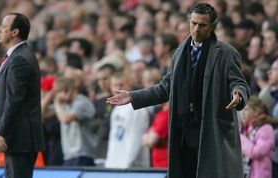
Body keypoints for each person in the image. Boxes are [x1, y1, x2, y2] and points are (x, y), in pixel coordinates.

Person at [107, 3, 250, 178]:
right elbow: (166, 87)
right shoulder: (179, 52)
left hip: (211, 133)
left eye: (202, 25)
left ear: (212, 27)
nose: (196, 29)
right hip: (183, 131)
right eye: (194, 23)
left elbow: (239, 83)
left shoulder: (227, 53)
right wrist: (133, 96)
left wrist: (239, 95)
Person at [0, 13, 45, 178]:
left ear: (15, 32)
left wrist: (3, 131)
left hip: (19, 138)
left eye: (3, 27)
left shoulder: (20, 59)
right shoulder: (18, 55)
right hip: (18, 138)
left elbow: (14, 99)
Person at [240, 95, 275, 178]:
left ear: (256, 111)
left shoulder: (266, 128)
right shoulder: (247, 128)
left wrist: (241, 139)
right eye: (242, 110)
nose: (243, 113)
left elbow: (257, 153)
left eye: (246, 109)